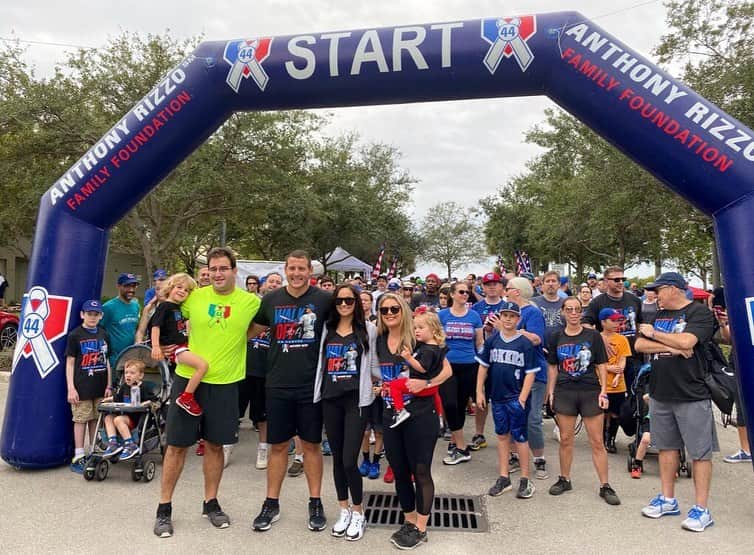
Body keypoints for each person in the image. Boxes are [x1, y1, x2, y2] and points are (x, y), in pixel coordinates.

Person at [154, 247, 261, 538]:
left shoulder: (250, 301)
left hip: (226, 384)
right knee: (176, 446)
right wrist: (161, 344)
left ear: (234, 271)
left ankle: (210, 502)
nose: (217, 273)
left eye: (223, 268)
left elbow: (261, 325)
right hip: (188, 381)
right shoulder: (194, 297)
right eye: (212, 269)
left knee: (215, 446)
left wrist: (240, 338)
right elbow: (163, 315)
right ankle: (164, 509)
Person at [250, 250, 333, 533]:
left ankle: (316, 502)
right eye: (292, 268)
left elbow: (343, 328)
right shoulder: (271, 299)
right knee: (279, 446)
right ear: (285, 270)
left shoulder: (324, 300)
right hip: (277, 383)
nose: (297, 273)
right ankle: (271, 503)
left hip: (311, 385)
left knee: (310, 445)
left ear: (310, 272)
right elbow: (250, 331)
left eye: (302, 269)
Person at [636, 272, 717, 532]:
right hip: (660, 392)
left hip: (692, 393)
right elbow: (639, 344)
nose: (654, 295)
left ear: (673, 289)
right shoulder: (658, 315)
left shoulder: (699, 314)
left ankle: (702, 509)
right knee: (666, 448)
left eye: (658, 290)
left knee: (699, 453)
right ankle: (668, 499)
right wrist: (672, 347)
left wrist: (656, 336)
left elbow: (688, 342)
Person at [377, 293, 451, 549]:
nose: (389, 313)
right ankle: (409, 522)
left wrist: (427, 383)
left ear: (403, 310)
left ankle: (421, 526)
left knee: (420, 470)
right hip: (391, 414)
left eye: (394, 308)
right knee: (399, 470)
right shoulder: (378, 339)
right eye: (384, 309)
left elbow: (447, 370)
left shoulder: (417, 336)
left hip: (421, 415)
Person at [312, 284, 378, 541]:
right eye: (339, 301)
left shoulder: (368, 330)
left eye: (349, 301)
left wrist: (392, 381)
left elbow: (373, 364)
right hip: (330, 398)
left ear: (356, 303)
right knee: (337, 459)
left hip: (356, 401)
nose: (343, 305)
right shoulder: (327, 329)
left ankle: (359, 512)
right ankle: (343, 509)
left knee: (350, 460)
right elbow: (320, 362)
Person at [546, 297, 620, 506]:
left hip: (589, 390)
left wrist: (604, 392)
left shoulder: (592, 336)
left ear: (581, 312)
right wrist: (550, 393)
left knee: (597, 441)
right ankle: (564, 478)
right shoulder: (555, 336)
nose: (573, 313)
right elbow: (552, 366)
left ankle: (605, 485)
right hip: (565, 390)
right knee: (566, 439)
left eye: (577, 309)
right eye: (569, 309)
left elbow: (601, 364)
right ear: (563, 312)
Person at [476, 301, 539, 498]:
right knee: (502, 435)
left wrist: (522, 397)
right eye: (505, 315)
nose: (509, 319)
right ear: (499, 317)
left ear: (518, 319)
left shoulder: (525, 343)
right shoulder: (493, 340)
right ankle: (504, 477)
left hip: (516, 397)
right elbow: (484, 366)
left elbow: (530, 373)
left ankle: (525, 478)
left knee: (520, 436)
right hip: (497, 396)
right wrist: (479, 391)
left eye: (512, 316)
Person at [505, 277, 549, 479]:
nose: (505, 291)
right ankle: (514, 456)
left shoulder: (532, 312)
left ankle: (539, 460)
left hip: (534, 372)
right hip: (513, 372)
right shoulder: (508, 311)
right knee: (514, 415)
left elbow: (536, 339)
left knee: (532, 419)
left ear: (518, 291)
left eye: (508, 288)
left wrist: (512, 331)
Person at [150, 273, 209, 416]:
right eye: (179, 287)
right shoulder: (164, 306)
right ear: (170, 287)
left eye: (187, 290)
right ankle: (186, 397)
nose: (183, 291)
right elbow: (155, 326)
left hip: (182, 345)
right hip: (175, 348)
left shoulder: (179, 308)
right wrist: (156, 346)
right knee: (203, 366)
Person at [438, 282, 483, 465]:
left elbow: (479, 342)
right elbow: (437, 341)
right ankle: (462, 447)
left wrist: (483, 364)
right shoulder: (442, 315)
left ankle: (456, 443)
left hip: (469, 365)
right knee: (448, 403)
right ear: (452, 294)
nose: (465, 295)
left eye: (467, 292)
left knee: (460, 405)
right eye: (461, 292)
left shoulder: (474, 316)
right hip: (447, 365)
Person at [65, 299, 111, 473]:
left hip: (99, 386)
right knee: (80, 419)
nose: (92, 317)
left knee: (95, 419)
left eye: (96, 314)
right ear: (82, 315)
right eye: (89, 314)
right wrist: (71, 387)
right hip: (81, 386)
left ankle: (93, 450)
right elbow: (70, 362)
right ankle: (78, 454)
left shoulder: (104, 334)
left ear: (101, 316)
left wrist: (108, 385)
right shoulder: (75, 335)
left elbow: (107, 361)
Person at [582, 266, 642, 389]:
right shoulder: (597, 302)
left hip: (632, 356)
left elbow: (640, 323)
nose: (620, 282)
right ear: (606, 281)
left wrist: (640, 342)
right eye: (616, 279)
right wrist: (600, 338)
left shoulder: (634, 300)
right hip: (609, 358)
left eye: (623, 279)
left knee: (633, 394)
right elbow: (584, 323)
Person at [388, 310, 447, 428]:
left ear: (433, 330)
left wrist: (409, 358)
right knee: (436, 394)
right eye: (415, 328)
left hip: (420, 385)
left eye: (420, 328)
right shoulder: (438, 347)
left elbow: (422, 368)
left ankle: (400, 411)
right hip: (433, 387)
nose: (416, 331)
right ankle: (439, 416)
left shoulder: (427, 350)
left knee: (394, 385)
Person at [712, 290, 751, 463]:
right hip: (739, 363)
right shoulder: (738, 309)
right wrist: (723, 323)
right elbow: (729, 339)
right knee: (742, 407)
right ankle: (746, 449)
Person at [470, 272, 507, 451]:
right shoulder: (476, 308)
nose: (492, 287)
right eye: (488, 284)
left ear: (501, 286)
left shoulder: (508, 306)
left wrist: (498, 330)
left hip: (504, 358)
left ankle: (506, 435)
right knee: (481, 397)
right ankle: (479, 433)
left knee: (504, 397)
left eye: (495, 284)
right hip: (483, 357)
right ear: (482, 287)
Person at [101, 359, 158, 460]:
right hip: (124, 415)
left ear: (140, 376)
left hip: (135, 420)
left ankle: (131, 445)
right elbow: (117, 398)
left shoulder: (143, 388)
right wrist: (108, 400)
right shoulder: (124, 387)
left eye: (132, 373)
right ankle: (113, 443)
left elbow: (153, 400)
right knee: (108, 417)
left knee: (118, 420)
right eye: (126, 373)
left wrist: (145, 403)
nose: (128, 375)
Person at [598, 308, 632, 454]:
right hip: (601, 382)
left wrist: (619, 372)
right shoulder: (597, 338)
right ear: (603, 322)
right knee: (601, 413)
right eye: (612, 320)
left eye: (617, 320)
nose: (616, 323)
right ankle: (600, 438)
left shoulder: (622, 339)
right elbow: (594, 362)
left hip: (618, 384)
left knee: (615, 413)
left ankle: (611, 438)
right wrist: (609, 368)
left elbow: (623, 358)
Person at [101, 272, 140, 370]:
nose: (131, 290)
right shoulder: (108, 307)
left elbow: (135, 328)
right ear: (118, 286)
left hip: (131, 361)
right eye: (127, 286)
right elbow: (98, 330)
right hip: (114, 361)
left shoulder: (136, 306)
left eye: (134, 286)